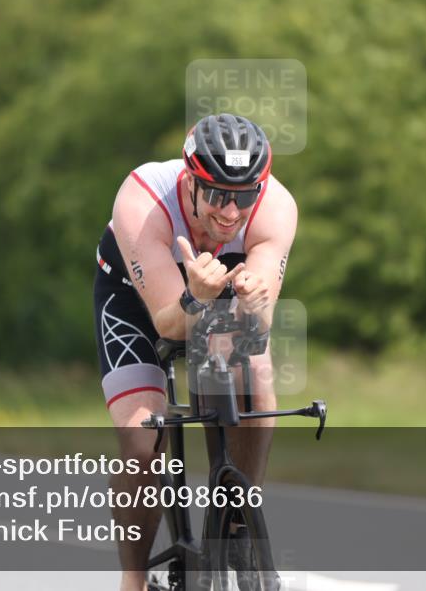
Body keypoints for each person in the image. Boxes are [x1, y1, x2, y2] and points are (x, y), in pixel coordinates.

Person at [93, 113, 297, 590]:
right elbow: (168, 323)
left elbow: (259, 323)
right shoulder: (143, 199)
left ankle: (240, 518)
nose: (231, 211)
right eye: (218, 195)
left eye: (243, 196)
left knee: (255, 373)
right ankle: (133, 578)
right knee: (142, 446)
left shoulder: (276, 207)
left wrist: (255, 304)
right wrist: (195, 298)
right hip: (138, 299)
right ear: (190, 181)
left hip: (215, 293)